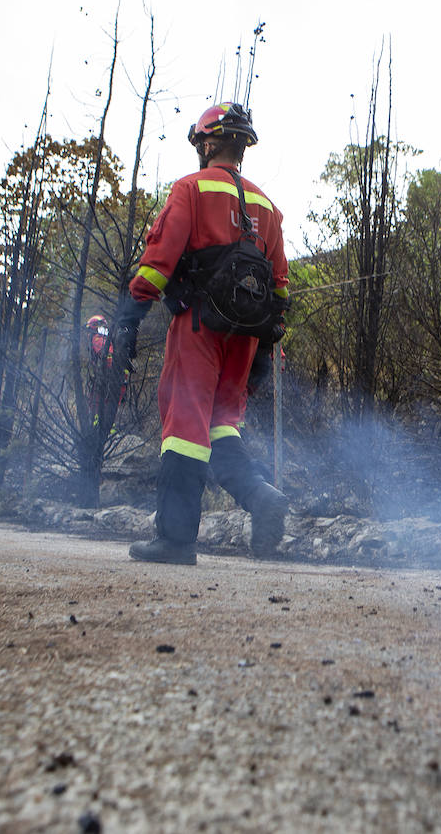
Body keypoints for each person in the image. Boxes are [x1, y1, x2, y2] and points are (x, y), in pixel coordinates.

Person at [112, 101, 290, 565]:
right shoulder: (269, 209)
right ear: (242, 145)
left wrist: (130, 317)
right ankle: (260, 495)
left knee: (184, 428)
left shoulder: (190, 189)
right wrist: (267, 352)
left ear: (207, 142)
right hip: (248, 339)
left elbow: (158, 264)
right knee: (220, 426)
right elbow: (279, 286)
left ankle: (175, 541)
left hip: (199, 328)